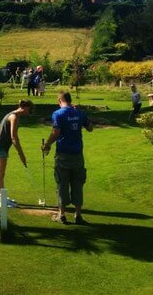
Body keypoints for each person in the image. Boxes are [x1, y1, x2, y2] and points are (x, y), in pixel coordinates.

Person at [42, 91, 93, 225]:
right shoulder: (79, 113)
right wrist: (81, 116)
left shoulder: (58, 114)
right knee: (78, 183)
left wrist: (47, 144)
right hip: (77, 155)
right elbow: (90, 128)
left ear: (59, 101)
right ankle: (78, 215)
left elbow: (56, 132)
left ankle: (62, 214)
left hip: (63, 154)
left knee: (62, 183)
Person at [0, 100, 34, 206]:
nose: (30, 113)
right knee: (0, 174)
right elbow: (14, 138)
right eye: (30, 110)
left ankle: (3, 198)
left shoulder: (15, 116)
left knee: (1, 174)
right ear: (25, 107)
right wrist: (21, 155)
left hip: (1, 146)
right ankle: (2, 200)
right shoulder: (13, 117)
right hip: (0, 147)